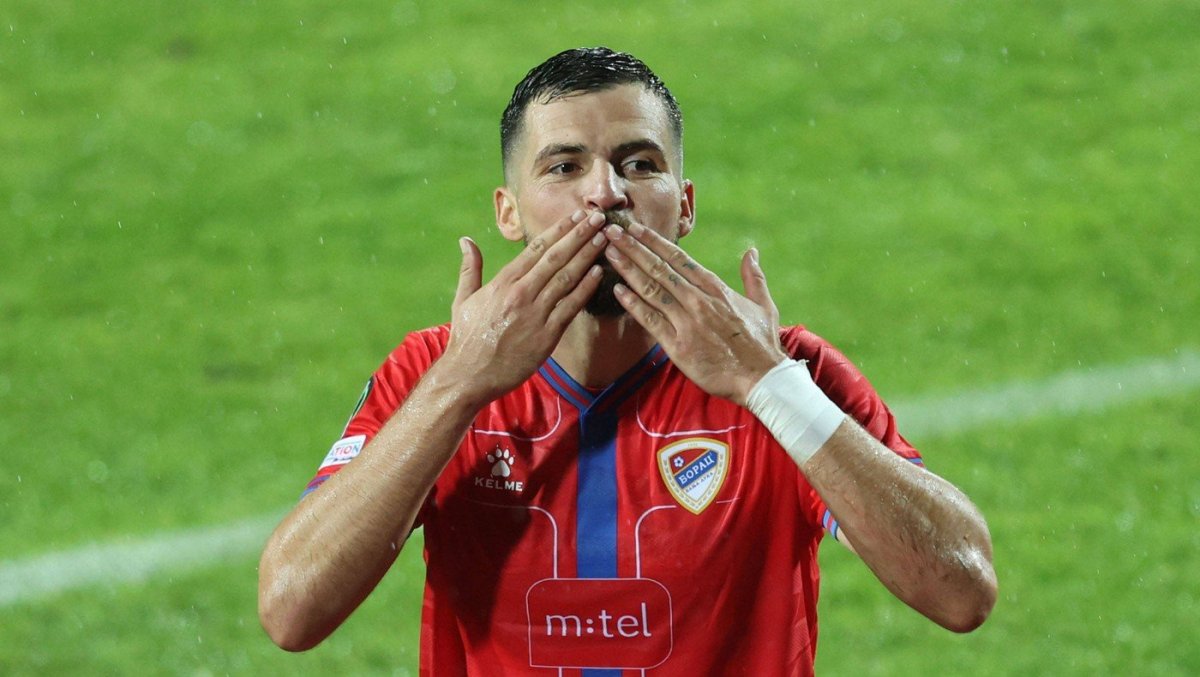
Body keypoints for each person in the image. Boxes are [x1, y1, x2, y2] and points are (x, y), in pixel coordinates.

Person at [258, 47, 996, 675]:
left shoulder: (784, 371)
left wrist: (768, 385)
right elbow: (292, 610)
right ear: (508, 211)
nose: (605, 194)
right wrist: (458, 386)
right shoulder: (434, 372)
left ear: (685, 205)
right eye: (564, 167)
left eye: (638, 164)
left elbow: (962, 590)